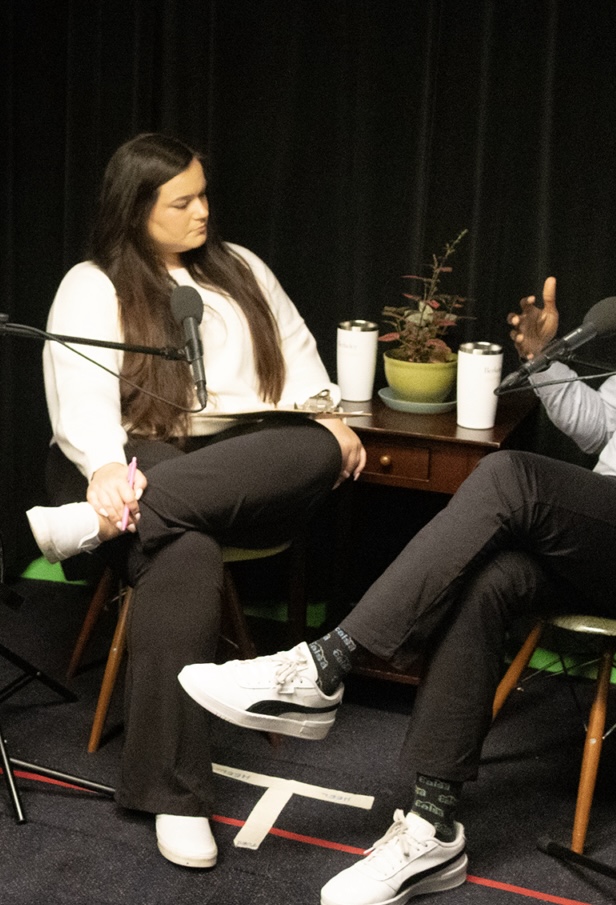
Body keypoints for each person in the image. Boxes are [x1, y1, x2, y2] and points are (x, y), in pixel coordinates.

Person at [178, 157, 616, 904]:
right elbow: (601, 427)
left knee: (511, 475)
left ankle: (326, 663)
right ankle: (430, 829)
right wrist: (545, 362)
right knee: (493, 578)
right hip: (614, 523)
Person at [25, 133, 366, 869]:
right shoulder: (94, 282)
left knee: (316, 445)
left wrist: (328, 417)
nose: (202, 211)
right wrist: (105, 472)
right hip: (131, 453)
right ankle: (174, 796)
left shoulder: (242, 268)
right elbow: (80, 399)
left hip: (239, 460)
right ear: (135, 208)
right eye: (181, 201)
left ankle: (88, 529)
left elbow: (301, 361)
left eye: (204, 194)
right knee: (186, 548)